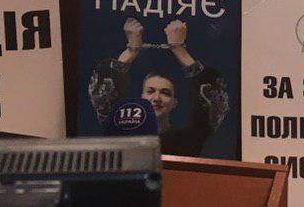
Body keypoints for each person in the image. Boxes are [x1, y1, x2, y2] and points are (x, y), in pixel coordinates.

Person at [89, 18, 230, 156]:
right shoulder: (125, 136)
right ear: (141, 98)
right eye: (150, 91)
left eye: (165, 93)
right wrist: (131, 51)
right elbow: (104, 98)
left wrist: (179, 49)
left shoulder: (186, 141)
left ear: (174, 103)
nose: (156, 98)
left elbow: (212, 103)